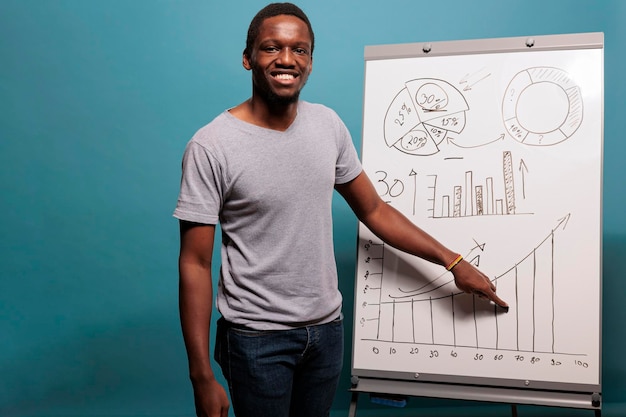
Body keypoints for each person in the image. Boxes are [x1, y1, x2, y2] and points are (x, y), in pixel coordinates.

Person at [174, 3, 508, 417]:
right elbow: (195, 263)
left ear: (310, 62)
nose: (286, 60)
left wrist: (453, 261)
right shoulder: (211, 145)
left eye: (300, 50)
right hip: (256, 339)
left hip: (326, 333)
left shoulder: (327, 125)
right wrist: (201, 375)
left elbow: (375, 210)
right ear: (248, 59)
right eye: (271, 48)